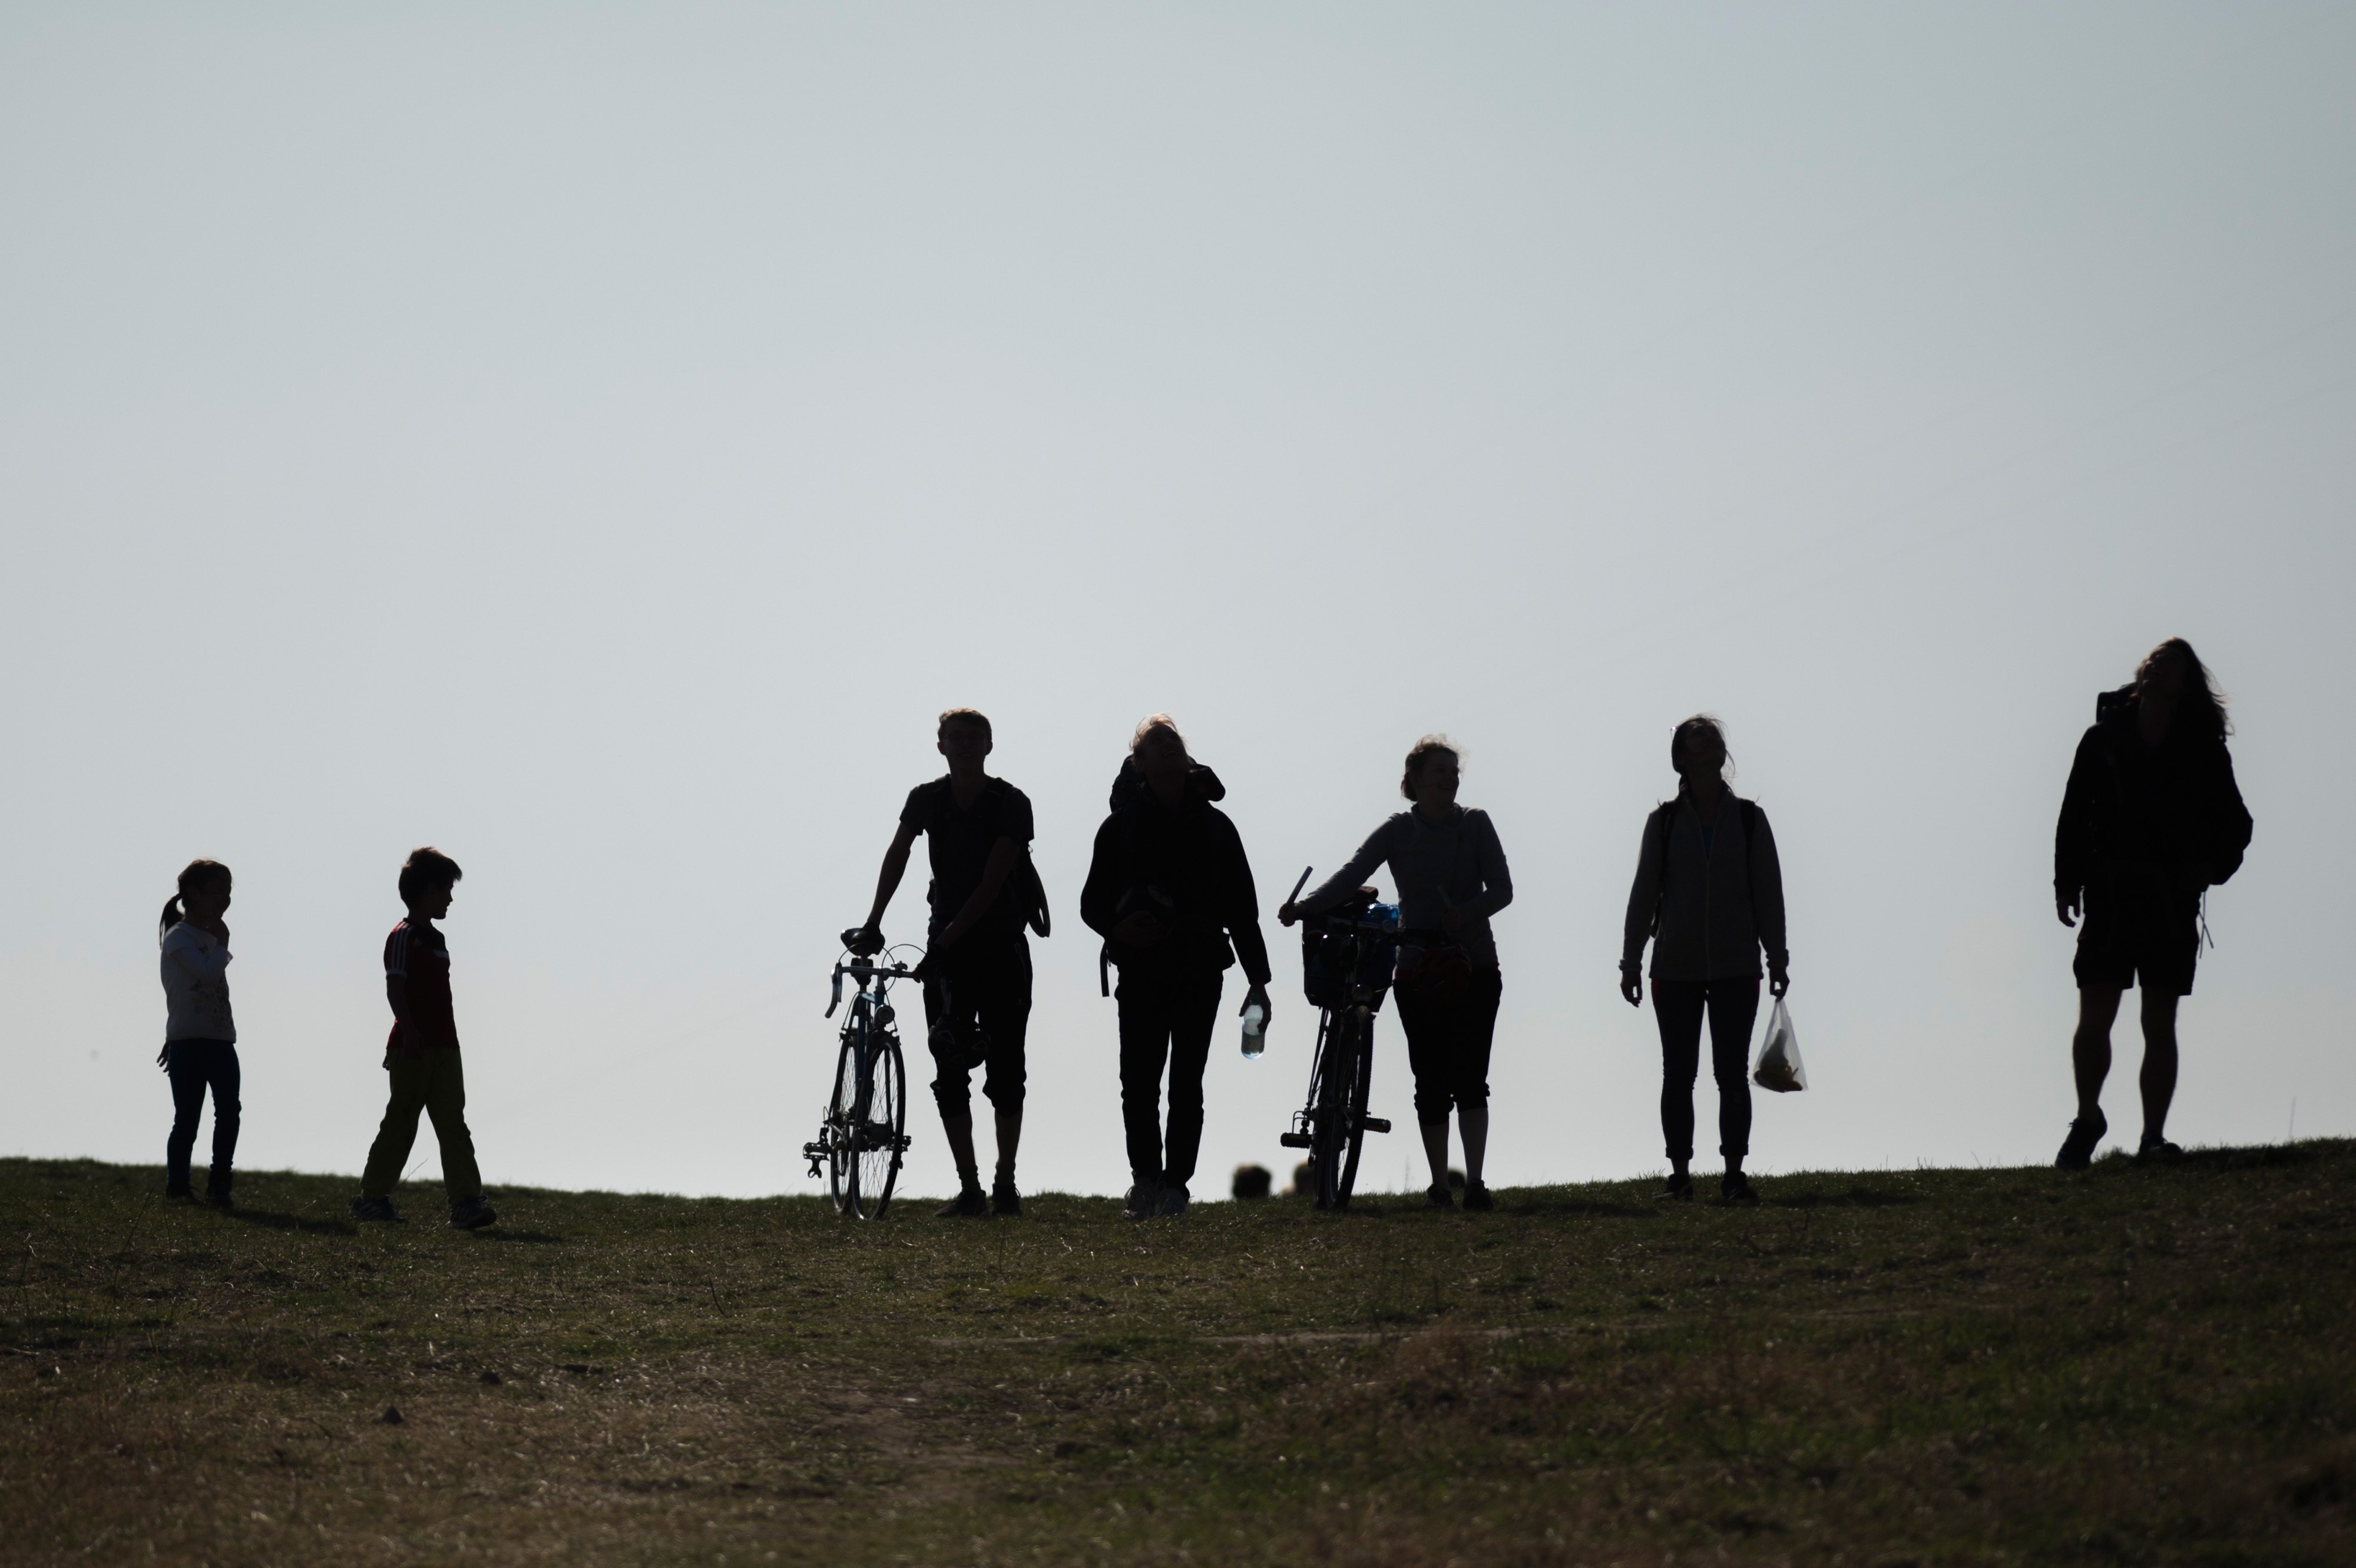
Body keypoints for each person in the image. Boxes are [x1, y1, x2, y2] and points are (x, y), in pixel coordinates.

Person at [1280, 735, 1513, 1212]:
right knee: (1429, 1079)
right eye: (1439, 772)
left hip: (1476, 966)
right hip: (1414, 967)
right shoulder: (1397, 831)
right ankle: (1440, 1187)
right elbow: (1351, 874)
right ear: (1414, 782)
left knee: (1471, 1077)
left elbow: (1504, 890)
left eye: (1454, 772)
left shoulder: (1476, 824)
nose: (1450, 779)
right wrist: (1306, 907)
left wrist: (1463, 914)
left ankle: (1475, 1183)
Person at [2053, 639, 2252, 1168]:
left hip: (2170, 899)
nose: (2158, 665)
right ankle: (2087, 1118)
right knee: (2094, 1013)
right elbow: (2073, 813)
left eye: (2172, 663)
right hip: (2109, 897)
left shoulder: (2204, 748)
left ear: (2187, 683)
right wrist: (2065, 883)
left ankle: (2152, 1138)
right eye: (2155, 659)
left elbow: (2237, 824)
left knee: (2158, 1021)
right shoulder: (2102, 739)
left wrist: (2211, 869)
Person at [849, 709, 1043, 1218]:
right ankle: (971, 1188)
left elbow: (994, 880)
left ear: (989, 745)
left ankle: (1005, 1184)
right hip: (947, 952)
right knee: (949, 1066)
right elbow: (898, 854)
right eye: (954, 738)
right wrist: (874, 921)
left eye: (973, 737)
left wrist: (945, 942)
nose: (963, 745)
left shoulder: (1011, 802)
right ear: (941, 746)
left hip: (1000, 947)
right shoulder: (926, 799)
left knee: (1006, 1071)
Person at [1083, 715, 1275, 1220]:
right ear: (1139, 764)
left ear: (1187, 759)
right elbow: (1091, 905)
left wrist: (1259, 983)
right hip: (1141, 971)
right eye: (1155, 742)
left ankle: (1175, 1188)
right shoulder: (1119, 826)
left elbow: (1243, 910)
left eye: (1174, 741)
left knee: (1187, 1081)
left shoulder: (1216, 826)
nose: (1168, 746)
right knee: (1139, 1081)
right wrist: (1118, 931)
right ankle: (1144, 1182)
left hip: (1199, 969)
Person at [1619, 716, 1787, 1205]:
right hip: (1673, 968)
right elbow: (1643, 895)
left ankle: (1734, 1176)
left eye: (1713, 735)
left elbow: (1769, 894)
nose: (1709, 740)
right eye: (1698, 736)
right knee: (1679, 1074)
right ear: (1681, 758)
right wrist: (1631, 961)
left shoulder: (1752, 820)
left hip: (1738, 965)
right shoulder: (1665, 822)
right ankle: (1680, 1175)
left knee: (1731, 1073)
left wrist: (1778, 957)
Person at [352, 848, 498, 1229]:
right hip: (413, 1047)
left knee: (453, 1124)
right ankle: (372, 1198)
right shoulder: (402, 937)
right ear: (429, 890)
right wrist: (409, 1032)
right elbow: (395, 989)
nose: (451, 898)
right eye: (447, 889)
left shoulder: (438, 938)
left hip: (446, 1047)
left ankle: (466, 1203)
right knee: (401, 1122)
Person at [156, 859, 240, 1208]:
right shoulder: (179, 938)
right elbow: (205, 974)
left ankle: (220, 1181)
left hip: (221, 1041)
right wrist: (223, 942)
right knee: (187, 1118)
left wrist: (219, 942)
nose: (226, 898)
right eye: (219, 890)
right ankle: (178, 1186)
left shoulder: (208, 939)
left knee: (229, 1111)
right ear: (193, 893)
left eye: (229, 891)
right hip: (188, 1045)